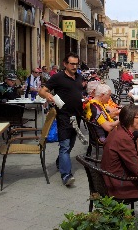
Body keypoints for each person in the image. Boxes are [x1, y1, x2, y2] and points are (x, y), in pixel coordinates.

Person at [39, 52, 83, 186]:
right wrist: (48, 96)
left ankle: (60, 162)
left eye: (76, 64)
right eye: (72, 64)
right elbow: (42, 91)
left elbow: (77, 93)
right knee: (64, 146)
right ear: (65, 64)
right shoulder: (58, 77)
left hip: (77, 117)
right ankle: (66, 175)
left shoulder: (79, 77)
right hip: (63, 116)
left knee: (70, 145)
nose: (74, 66)